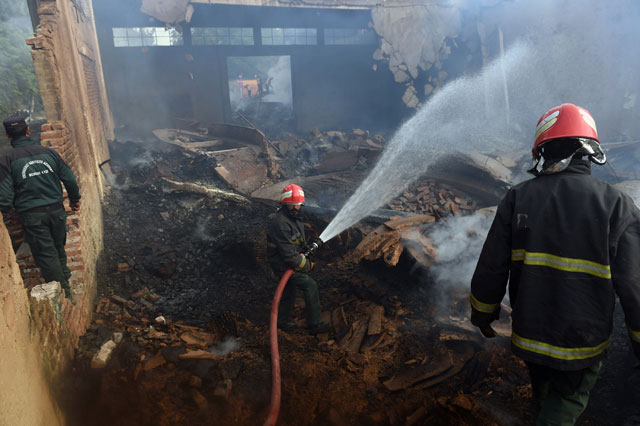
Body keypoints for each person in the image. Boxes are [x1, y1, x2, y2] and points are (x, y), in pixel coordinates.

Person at [469, 103, 640, 426]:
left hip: (530, 333)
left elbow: (492, 266)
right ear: (589, 152)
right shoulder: (616, 204)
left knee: (545, 391)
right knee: (567, 400)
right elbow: (634, 286)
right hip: (581, 341)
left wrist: (482, 312)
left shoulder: (519, 197)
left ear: (543, 151)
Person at [0, 116, 81, 299]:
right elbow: (69, 179)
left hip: (33, 216)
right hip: (57, 211)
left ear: (7, 135)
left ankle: (65, 296)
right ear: (27, 130)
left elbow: (4, 197)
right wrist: (74, 200)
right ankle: (65, 279)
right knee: (58, 247)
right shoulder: (49, 153)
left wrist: (4, 213)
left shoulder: (7, 160)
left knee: (47, 254)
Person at [266, 183, 331, 334]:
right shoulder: (280, 223)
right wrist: (308, 266)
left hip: (288, 258)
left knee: (288, 289)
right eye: (292, 205)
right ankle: (315, 324)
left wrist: (306, 248)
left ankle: (281, 321)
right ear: (284, 204)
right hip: (281, 263)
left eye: (298, 204)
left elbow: (295, 242)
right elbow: (290, 256)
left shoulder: (294, 217)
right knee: (309, 284)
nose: (295, 208)